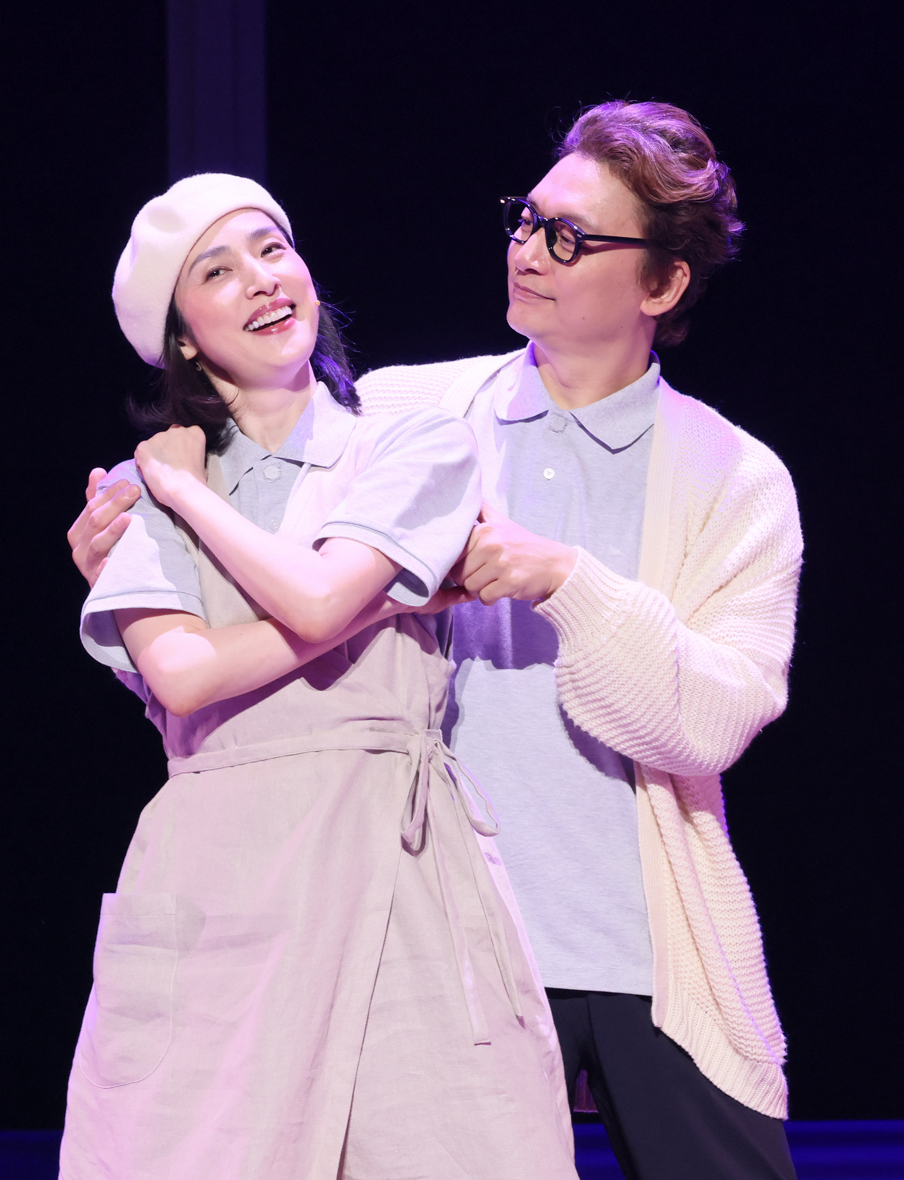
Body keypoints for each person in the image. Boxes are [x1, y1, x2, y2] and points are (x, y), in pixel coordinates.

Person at [59, 173, 575, 1180]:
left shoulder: (406, 444)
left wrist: (194, 501)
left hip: (394, 860)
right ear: (184, 340)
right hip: (219, 876)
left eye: (272, 249)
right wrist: (384, 599)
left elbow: (317, 602)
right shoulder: (136, 491)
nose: (262, 278)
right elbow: (184, 675)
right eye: (218, 271)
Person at [354, 102, 804, 1180]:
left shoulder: (736, 477)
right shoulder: (406, 415)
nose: (528, 250)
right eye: (527, 220)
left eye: (569, 237)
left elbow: (714, 719)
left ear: (663, 284)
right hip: (452, 939)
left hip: (650, 950)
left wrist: (568, 581)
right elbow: (285, 616)